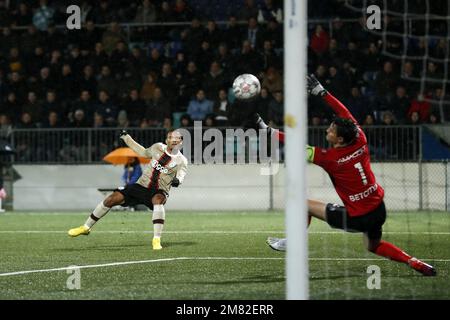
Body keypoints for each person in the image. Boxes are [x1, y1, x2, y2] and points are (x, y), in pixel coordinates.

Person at [257, 75, 436, 276]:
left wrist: (268, 131)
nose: (328, 129)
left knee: (301, 203)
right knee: (373, 246)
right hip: (378, 210)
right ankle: (415, 262)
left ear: (340, 139)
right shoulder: (360, 138)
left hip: (357, 218)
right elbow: (345, 113)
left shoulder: (329, 158)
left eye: (332, 130)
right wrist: (322, 93)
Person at [68, 130, 188, 250]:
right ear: (167, 139)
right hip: (140, 185)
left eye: (177, 139)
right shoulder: (157, 147)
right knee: (112, 198)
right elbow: (143, 152)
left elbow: (181, 175)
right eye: (171, 137)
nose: (174, 140)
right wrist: (127, 138)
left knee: (158, 200)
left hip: (159, 190)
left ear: (180, 142)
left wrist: (178, 180)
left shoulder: (181, 160)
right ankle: (86, 227)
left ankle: (156, 239)